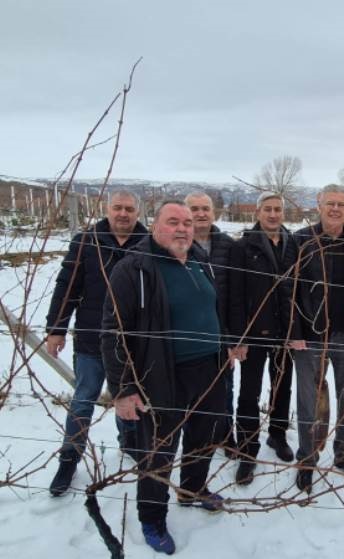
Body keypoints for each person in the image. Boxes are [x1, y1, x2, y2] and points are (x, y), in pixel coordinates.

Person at [101, 201, 227, 555]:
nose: (183, 228)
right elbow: (113, 332)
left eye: (187, 222)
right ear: (154, 225)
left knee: (204, 435)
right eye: (173, 222)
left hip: (210, 369)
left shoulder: (199, 259)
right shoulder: (134, 269)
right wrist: (123, 389)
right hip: (161, 375)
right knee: (159, 450)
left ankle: (192, 489)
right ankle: (152, 518)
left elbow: (211, 309)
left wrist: (224, 349)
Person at [45, 190, 147, 497]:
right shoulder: (86, 241)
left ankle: (130, 442)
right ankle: (69, 457)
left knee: (130, 395)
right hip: (92, 337)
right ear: (107, 209)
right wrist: (56, 328)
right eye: (118, 207)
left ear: (138, 212)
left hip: (132, 341)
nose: (123, 213)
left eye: (129, 208)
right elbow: (66, 286)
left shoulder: (148, 244)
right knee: (83, 398)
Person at [284, 184, 344, 493]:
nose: (335, 209)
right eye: (330, 203)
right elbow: (287, 289)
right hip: (310, 337)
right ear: (319, 205)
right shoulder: (300, 241)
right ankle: (307, 457)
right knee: (308, 401)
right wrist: (295, 332)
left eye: (341, 204)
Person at [228, 191, 296, 485]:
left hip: (284, 333)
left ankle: (277, 435)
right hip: (254, 334)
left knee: (282, 388)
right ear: (257, 212)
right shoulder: (243, 247)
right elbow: (235, 296)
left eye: (277, 209)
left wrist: (296, 331)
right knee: (249, 392)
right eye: (267, 209)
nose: (272, 214)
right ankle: (247, 449)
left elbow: (297, 292)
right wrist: (239, 337)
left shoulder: (293, 244)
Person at [184, 192, 236, 454]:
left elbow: (237, 295)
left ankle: (226, 434)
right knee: (192, 392)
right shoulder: (178, 244)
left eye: (205, 208)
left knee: (226, 387)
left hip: (223, 331)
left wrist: (233, 338)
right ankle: (199, 441)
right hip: (190, 333)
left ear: (214, 213)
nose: (201, 213)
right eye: (194, 209)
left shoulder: (228, 245)